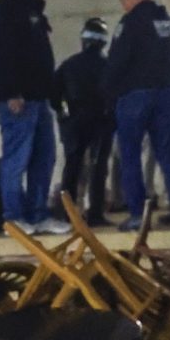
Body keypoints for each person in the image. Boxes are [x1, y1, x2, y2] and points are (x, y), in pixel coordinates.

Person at [0, 0, 68, 235]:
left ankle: (37, 213)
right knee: (17, 157)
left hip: (38, 97)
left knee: (45, 156)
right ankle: (13, 216)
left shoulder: (30, 10)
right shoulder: (7, 10)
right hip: (19, 98)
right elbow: (1, 55)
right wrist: (10, 92)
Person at [104, 0, 170, 231]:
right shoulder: (167, 22)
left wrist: (107, 91)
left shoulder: (131, 22)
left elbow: (117, 60)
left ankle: (138, 214)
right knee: (168, 154)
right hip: (167, 93)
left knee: (129, 154)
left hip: (135, 95)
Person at [55, 18, 115, 225]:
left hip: (75, 121)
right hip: (102, 121)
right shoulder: (108, 66)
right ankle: (95, 213)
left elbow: (54, 94)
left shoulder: (69, 65)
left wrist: (62, 116)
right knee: (98, 168)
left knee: (72, 166)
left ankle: (68, 213)